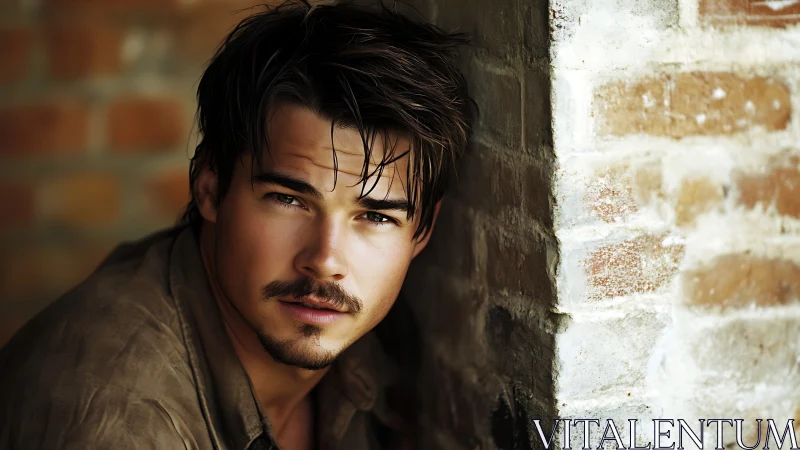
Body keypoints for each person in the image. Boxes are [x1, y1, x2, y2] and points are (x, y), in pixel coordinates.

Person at [0, 1, 473, 449]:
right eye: (288, 199)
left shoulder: (385, 355)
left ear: (422, 230)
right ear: (209, 186)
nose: (325, 261)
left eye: (374, 216)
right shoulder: (118, 417)